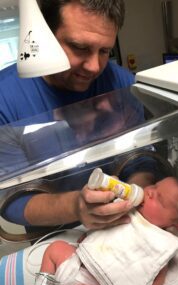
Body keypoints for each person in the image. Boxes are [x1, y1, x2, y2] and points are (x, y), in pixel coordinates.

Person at [0, 0, 146, 231]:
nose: (94, 67)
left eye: (105, 51)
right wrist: (77, 206)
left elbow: (141, 157)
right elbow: (11, 200)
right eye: (79, 47)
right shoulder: (5, 99)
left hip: (122, 222)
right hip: (51, 233)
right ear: (43, 34)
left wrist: (134, 197)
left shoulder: (121, 84)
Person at [11, 176, 178, 285]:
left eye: (159, 198)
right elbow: (104, 231)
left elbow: (155, 274)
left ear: (176, 224)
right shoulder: (127, 210)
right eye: (154, 185)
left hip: (93, 283)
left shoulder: (159, 243)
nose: (149, 191)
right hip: (77, 261)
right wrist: (87, 239)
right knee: (56, 248)